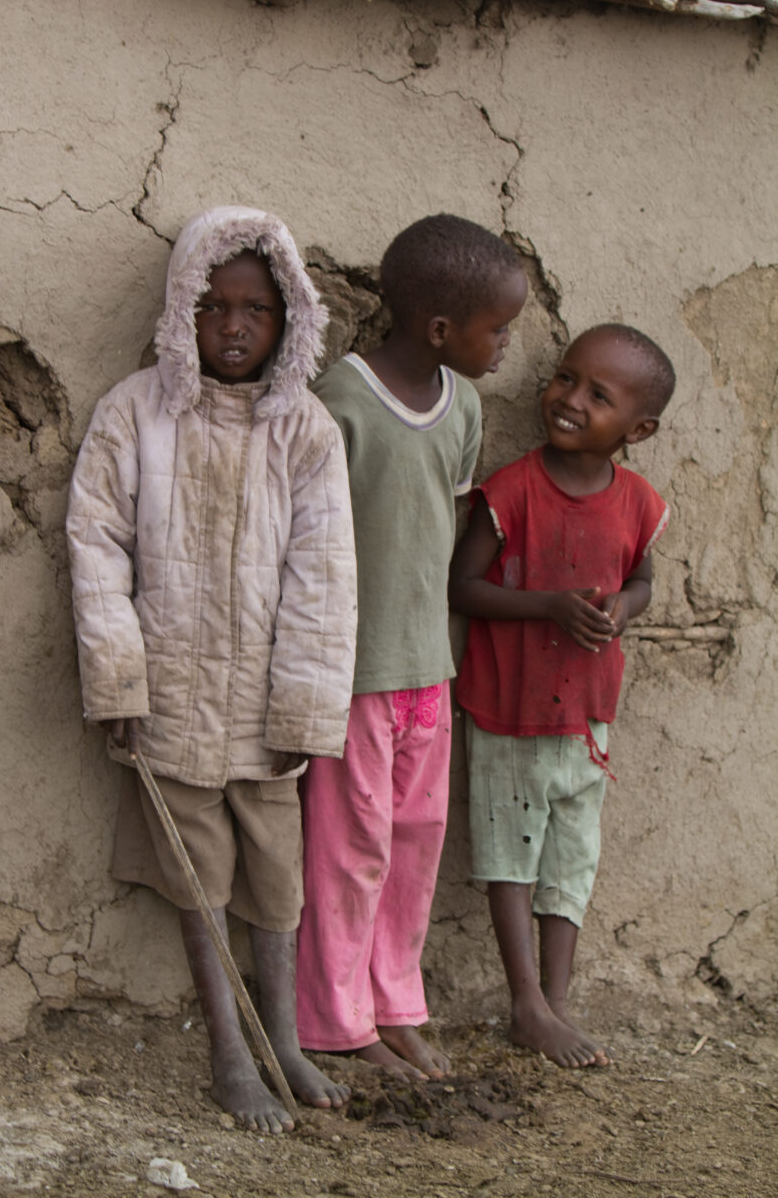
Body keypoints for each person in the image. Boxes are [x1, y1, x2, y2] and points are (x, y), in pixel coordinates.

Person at [67, 206, 357, 1133]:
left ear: (291, 320)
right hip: (173, 698)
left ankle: (283, 1036)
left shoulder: (305, 430)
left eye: (258, 310)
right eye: (214, 305)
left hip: (268, 708)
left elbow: (326, 575)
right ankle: (228, 1053)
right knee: (197, 874)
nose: (234, 326)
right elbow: (96, 545)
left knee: (277, 877)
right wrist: (117, 679)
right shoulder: (135, 411)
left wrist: (309, 708)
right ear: (181, 309)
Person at [296, 213, 529, 1079]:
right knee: (348, 850)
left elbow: (448, 520)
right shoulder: (340, 401)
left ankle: (394, 1003)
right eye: (497, 329)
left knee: (415, 843)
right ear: (439, 329)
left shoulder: (464, 405)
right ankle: (333, 1017)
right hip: (356, 675)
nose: (506, 345)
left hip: (430, 669)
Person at [449, 323, 675, 1068]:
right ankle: (525, 1003)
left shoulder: (638, 502)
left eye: (598, 395)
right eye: (566, 378)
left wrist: (626, 608)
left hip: (587, 721)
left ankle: (558, 1000)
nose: (569, 400)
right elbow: (465, 587)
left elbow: (641, 578)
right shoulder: (512, 490)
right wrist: (547, 605)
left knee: (571, 860)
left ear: (637, 430)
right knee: (512, 856)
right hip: (511, 712)